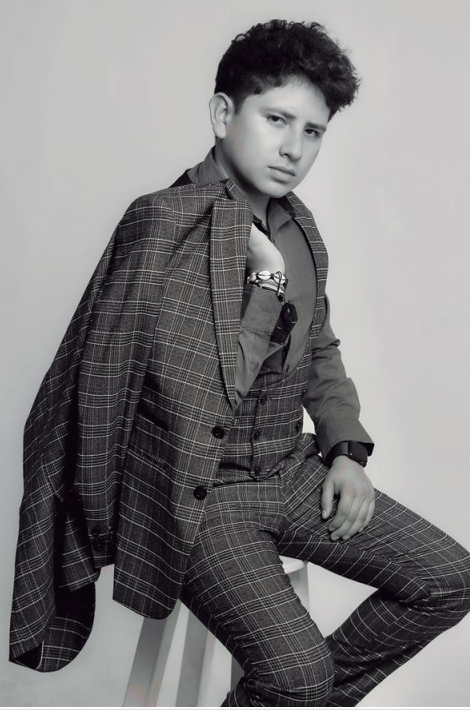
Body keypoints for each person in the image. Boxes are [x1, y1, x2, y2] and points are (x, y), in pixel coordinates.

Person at [9, 18, 470, 707]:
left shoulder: (298, 224)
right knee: (297, 674)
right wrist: (267, 282)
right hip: (198, 494)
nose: (293, 148)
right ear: (224, 114)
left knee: (448, 579)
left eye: (313, 131)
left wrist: (346, 451)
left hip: (287, 468)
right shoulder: (162, 223)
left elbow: (318, 344)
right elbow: (203, 387)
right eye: (276, 119)